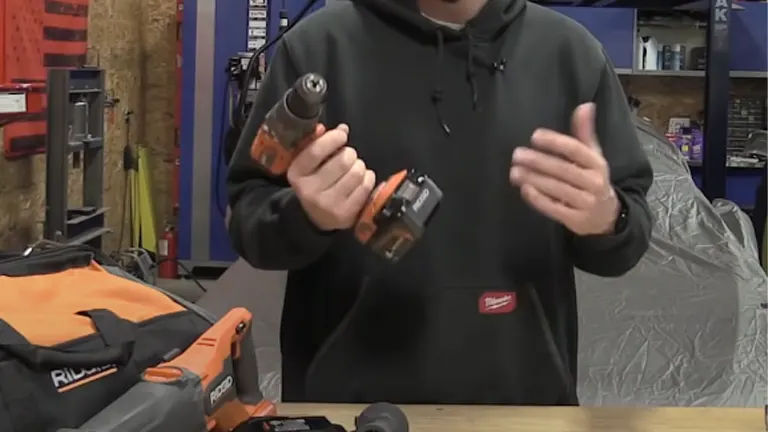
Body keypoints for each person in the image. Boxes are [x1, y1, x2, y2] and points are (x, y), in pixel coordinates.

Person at [227, 0, 653, 405]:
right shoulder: (318, 48)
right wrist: (307, 217)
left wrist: (606, 217)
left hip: (525, 403)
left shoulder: (570, 56)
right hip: (348, 406)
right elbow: (249, 213)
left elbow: (628, 238)